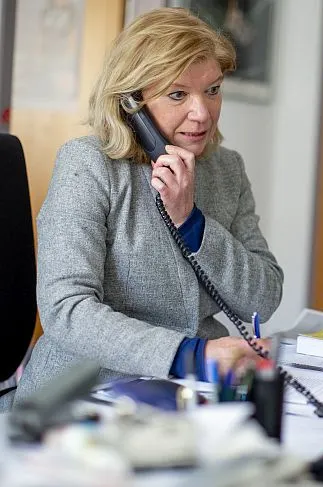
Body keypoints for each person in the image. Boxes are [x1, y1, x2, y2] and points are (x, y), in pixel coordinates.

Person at [7, 7, 282, 408]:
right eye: (177, 94)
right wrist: (191, 354)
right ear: (131, 102)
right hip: (88, 395)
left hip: (196, 396)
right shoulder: (89, 165)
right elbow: (66, 310)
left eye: (212, 89)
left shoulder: (226, 169)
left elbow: (264, 299)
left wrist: (192, 223)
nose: (202, 113)